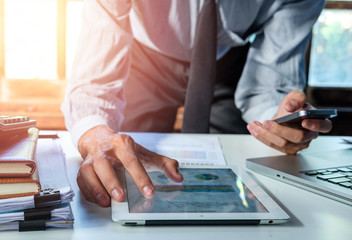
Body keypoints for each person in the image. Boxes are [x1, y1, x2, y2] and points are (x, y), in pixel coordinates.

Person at [61, 0, 332, 207]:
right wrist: (95, 134)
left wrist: (278, 120)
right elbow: (95, 81)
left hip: (228, 66)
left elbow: (269, 88)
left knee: (232, 177)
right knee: (125, 167)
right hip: (144, 62)